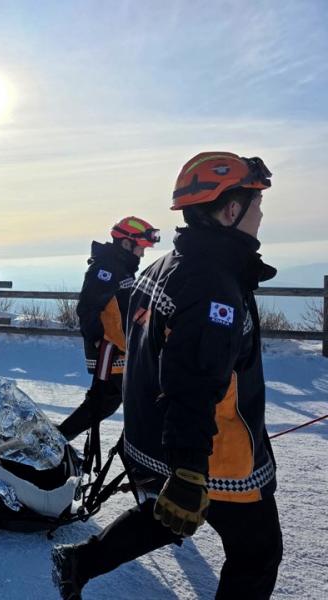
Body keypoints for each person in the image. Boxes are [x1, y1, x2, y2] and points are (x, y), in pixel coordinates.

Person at [51, 152, 282, 599]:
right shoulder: (214, 284)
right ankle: (83, 556)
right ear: (231, 210)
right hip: (216, 452)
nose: (260, 214)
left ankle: (80, 561)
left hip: (159, 441)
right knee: (257, 553)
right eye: (256, 204)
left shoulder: (171, 264)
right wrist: (190, 470)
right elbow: (193, 381)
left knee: (170, 517)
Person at [57, 217, 159, 441]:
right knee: (103, 405)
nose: (141, 254)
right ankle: (54, 442)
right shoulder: (106, 269)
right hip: (109, 354)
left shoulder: (120, 268)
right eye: (140, 248)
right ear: (125, 244)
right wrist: (97, 340)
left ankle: (56, 440)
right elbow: (87, 307)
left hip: (122, 351)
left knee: (110, 404)